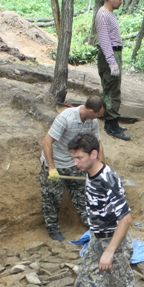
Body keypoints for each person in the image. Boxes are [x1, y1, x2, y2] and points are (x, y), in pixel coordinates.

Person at [67, 133, 138, 287]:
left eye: (79, 158)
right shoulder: (91, 171)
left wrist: (109, 251)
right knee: (83, 286)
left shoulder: (107, 179)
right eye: (74, 158)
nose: (75, 163)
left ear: (93, 155)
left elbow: (125, 218)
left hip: (113, 242)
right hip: (97, 240)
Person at [40, 96, 105, 242]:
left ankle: (91, 224)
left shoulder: (92, 121)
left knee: (82, 193)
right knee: (52, 197)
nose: (100, 117)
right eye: (98, 114)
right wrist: (51, 168)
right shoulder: (65, 118)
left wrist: (100, 168)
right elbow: (47, 142)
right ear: (90, 110)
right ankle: (53, 229)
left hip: (74, 163)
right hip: (55, 161)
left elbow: (97, 145)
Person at [95, 0, 130, 141]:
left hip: (115, 53)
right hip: (109, 54)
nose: (122, 1)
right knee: (110, 90)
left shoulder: (109, 14)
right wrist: (111, 62)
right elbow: (104, 40)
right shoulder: (103, 15)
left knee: (114, 89)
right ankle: (111, 124)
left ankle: (113, 121)